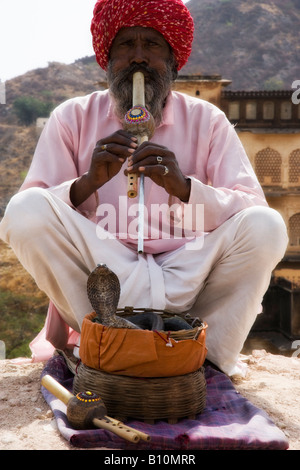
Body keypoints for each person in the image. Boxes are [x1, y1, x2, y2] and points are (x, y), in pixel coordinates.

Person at [0, 0, 288, 376]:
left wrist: (185, 188)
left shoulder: (208, 121)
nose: (138, 59)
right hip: (102, 282)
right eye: (125, 45)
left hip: (189, 275)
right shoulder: (71, 118)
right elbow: (27, 211)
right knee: (24, 213)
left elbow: (252, 206)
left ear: (172, 59)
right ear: (107, 58)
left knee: (267, 227)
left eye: (151, 45)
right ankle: (103, 341)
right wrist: (87, 183)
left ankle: (206, 358)